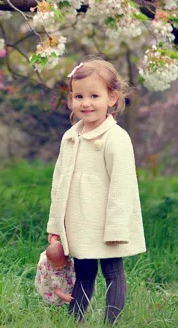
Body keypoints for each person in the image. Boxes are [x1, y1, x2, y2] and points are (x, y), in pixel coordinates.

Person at [47, 58, 146, 324]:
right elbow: (60, 184)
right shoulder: (70, 137)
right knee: (83, 272)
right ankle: (75, 320)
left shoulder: (115, 138)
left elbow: (123, 187)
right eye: (79, 96)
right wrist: (55, 225)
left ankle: (110, 322)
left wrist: (116, 228)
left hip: (106, 224)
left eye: (94, 95)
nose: (86, 103)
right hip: (80, 223)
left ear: (112, 98)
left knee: (113, 271)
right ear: (70, 99)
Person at [35, 242, 75, 306]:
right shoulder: (55, 274)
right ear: (48, 260)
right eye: (56, 266)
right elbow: (56, 290)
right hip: (54, 284)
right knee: (56, 294)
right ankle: (56, 305)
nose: (60, 268)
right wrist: (65, 297)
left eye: (63, 264)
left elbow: (55, 247)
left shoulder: (49, 256)